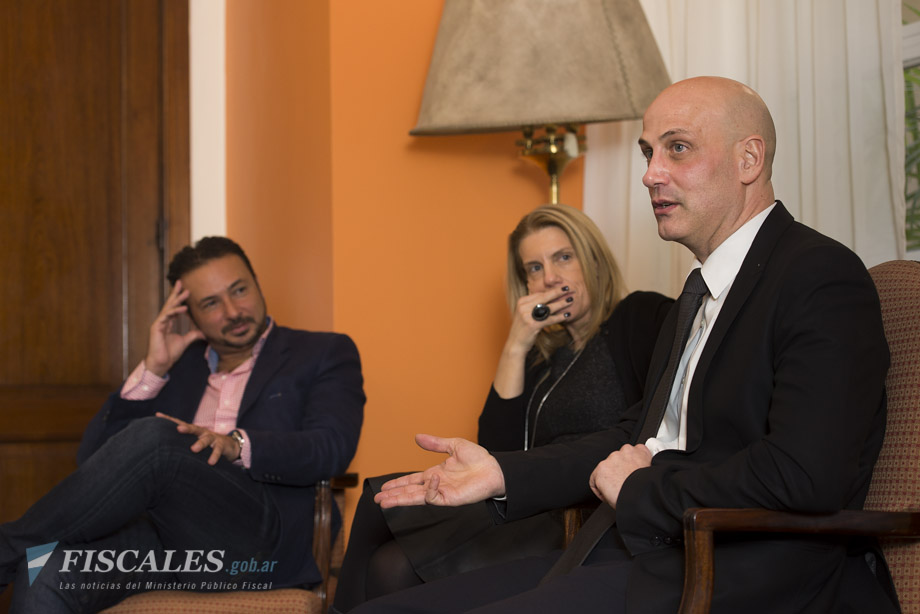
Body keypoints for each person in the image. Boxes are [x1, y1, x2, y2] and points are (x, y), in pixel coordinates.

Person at [357, 77, 900, 613]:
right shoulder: (699, 293)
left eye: (677, 148)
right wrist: (502, 473)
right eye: (647, 153)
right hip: (639, 551)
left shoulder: (818, 275)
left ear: (749, 160)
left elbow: (803, 474)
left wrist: (640, 489)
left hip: (738, 574)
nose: (650, 174)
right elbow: (634, 435)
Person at [332, 205, 672, 611]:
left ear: (593, 260)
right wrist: (516, 344)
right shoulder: (544, 357)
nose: (550, 278)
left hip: (579, 508)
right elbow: (496, 449)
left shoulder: (639, 316)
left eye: (564, 257)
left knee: (390, 548)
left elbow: (661, 419)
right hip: (527, 503)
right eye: (534, 268)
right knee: (383, 535)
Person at [0, 237, 365, 613]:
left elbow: (332, 446)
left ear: (257, 283)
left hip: (261, 543)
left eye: (239, 290)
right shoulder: (179, 368)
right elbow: (94, 464)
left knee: (160, 438)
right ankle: (14, 553)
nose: (233, 311)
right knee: (42, 568)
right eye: (211, 303)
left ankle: (5, 549)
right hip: (169, 545)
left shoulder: (321, 352)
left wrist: (236, 444)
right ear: (190, 315)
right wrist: (153, 371)